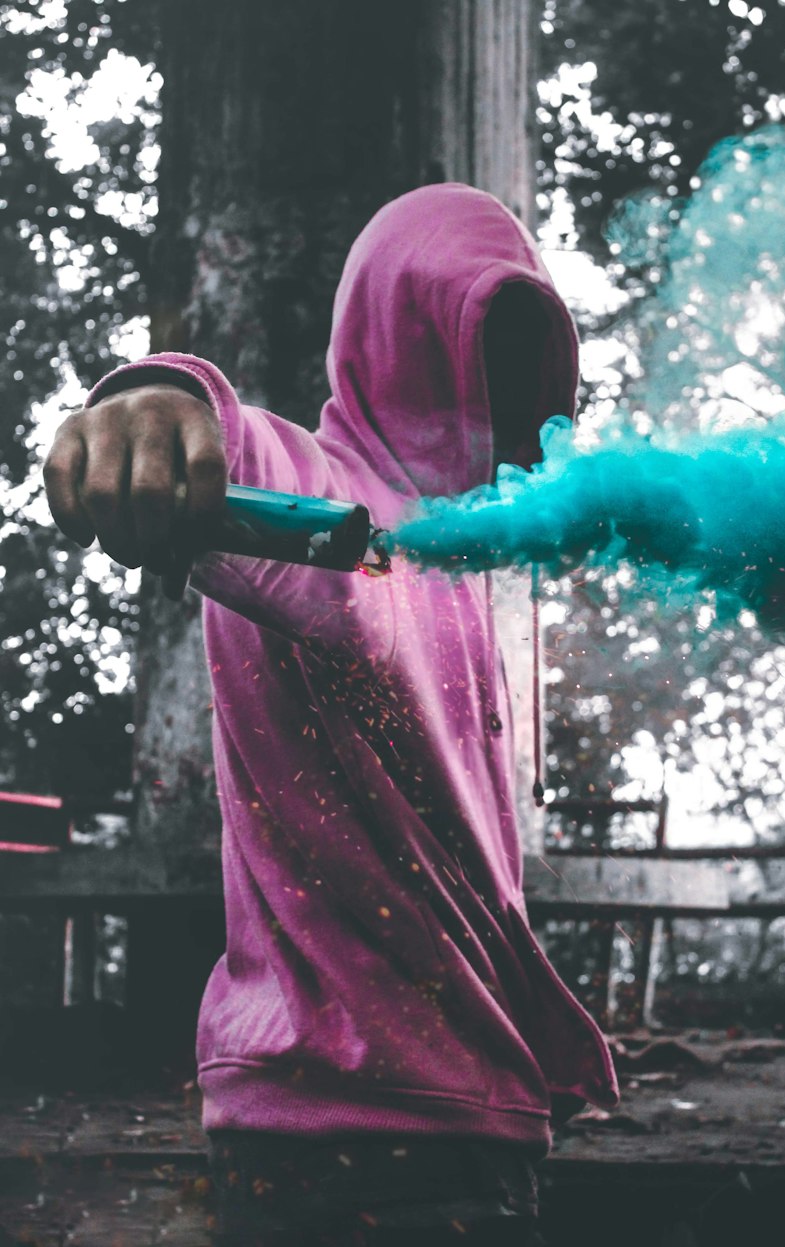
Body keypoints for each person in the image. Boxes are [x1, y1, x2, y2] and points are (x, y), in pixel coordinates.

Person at [43, 183, 619, 1245]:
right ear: (399, 337)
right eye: (474, 342)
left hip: (465, 1107)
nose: (490, 389)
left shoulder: (468, 568)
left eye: (518, 353)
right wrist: (154, 405)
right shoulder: (332, 505)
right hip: (351, 1120)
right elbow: (223, 438)